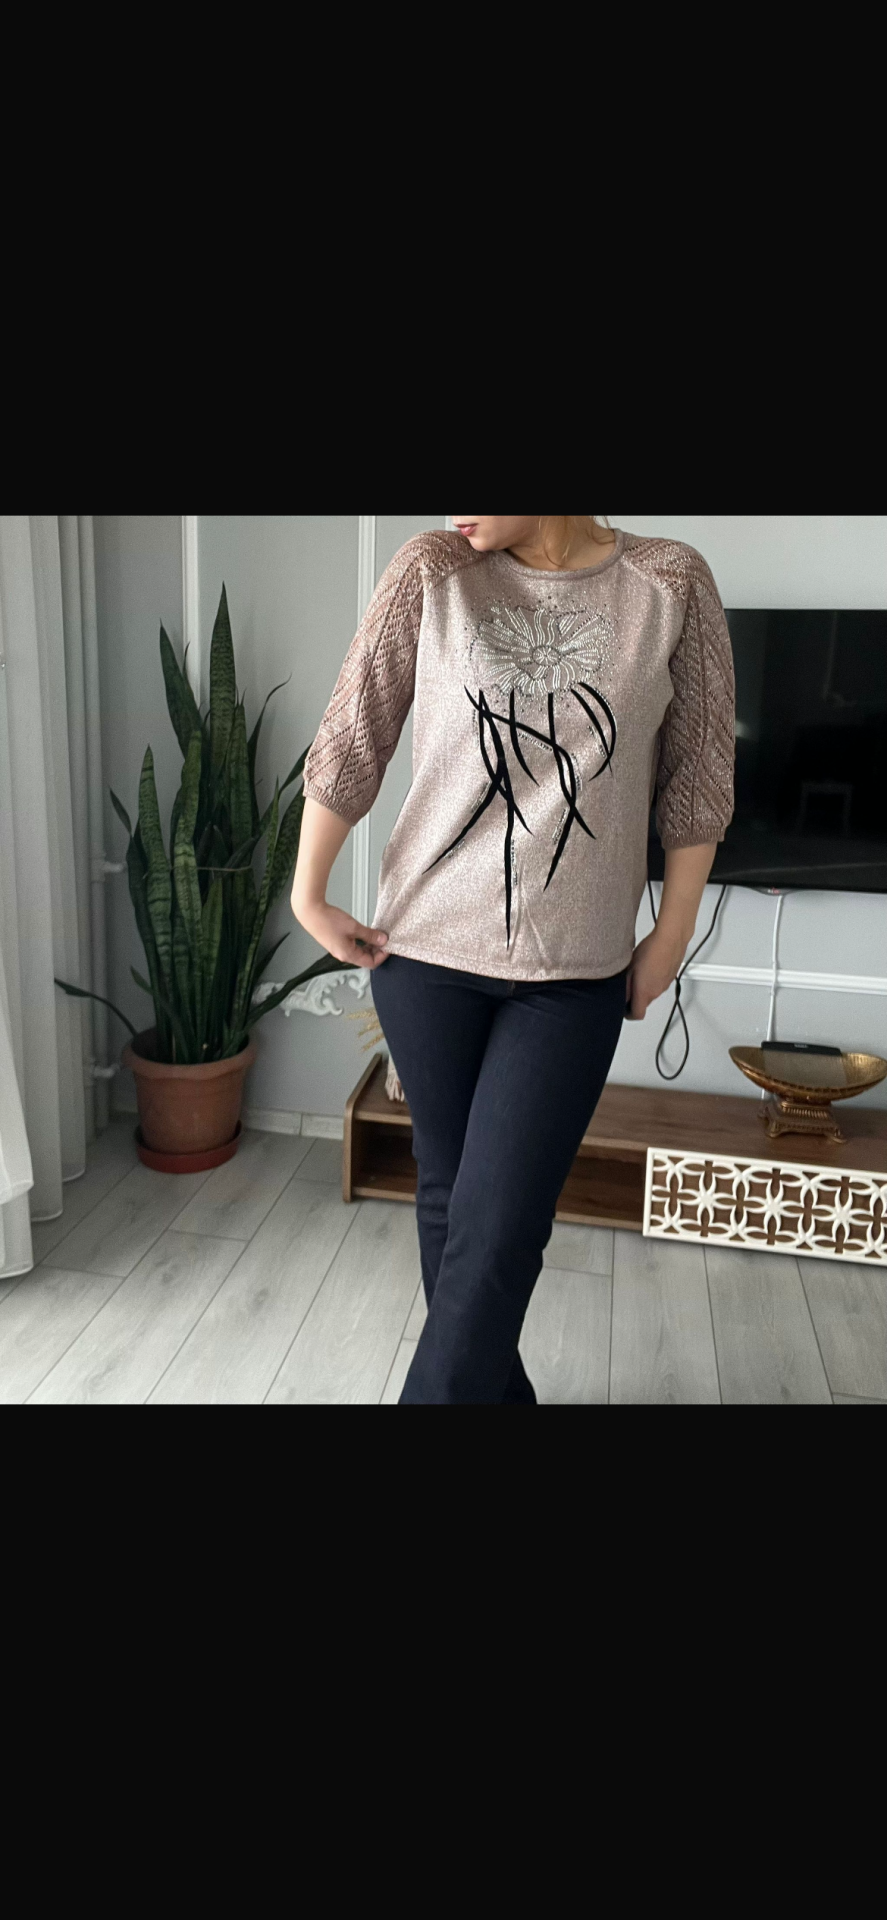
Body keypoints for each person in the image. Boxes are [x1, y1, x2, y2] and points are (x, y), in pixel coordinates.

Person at [291, 516, 736, 1405]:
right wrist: (309, 892)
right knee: (452, 1201)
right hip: (423, 953)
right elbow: (353, 731)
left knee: (499, 1226)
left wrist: (671, 934)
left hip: (573, 972)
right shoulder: (433, 570)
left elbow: (698, 771)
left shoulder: (669, 582)